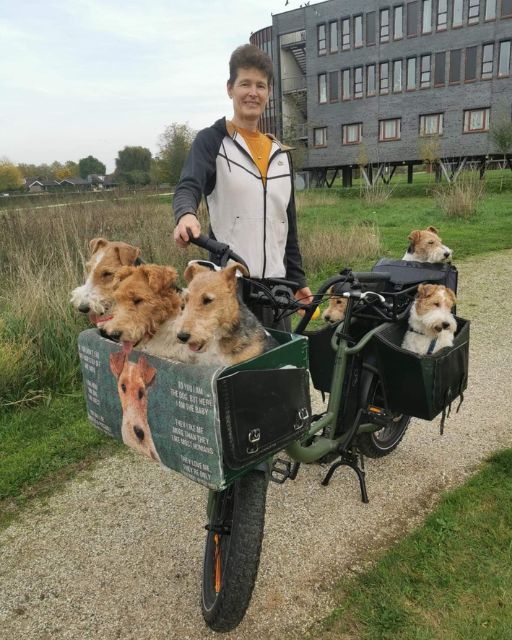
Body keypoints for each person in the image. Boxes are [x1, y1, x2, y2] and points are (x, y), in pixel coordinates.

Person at [172, 43, 312, 329]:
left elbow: (287, 225)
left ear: (268, 92)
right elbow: (189, 184)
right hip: (230, 286)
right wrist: (185, 213)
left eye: (260, 86)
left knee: (281, 357)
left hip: (277, 287)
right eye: (245, 84)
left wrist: (297, 280)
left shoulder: (280, 154)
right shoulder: (212, 141)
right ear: (230, 89)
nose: (253, 92)